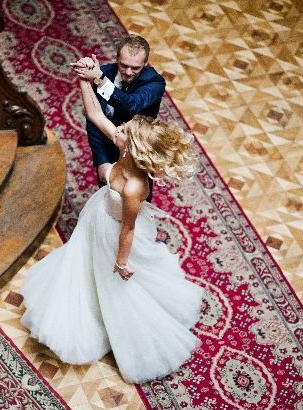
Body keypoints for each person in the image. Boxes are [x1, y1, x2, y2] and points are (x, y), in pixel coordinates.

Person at [19, 56, 203, 384]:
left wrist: (120, 263)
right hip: (98, 213)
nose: (116, 130)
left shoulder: (135, 187)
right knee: (84, 264)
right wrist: (83, 79)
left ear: (129, 147)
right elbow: (93, 113)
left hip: (118, 232)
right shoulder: (124, 151)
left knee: (116, 285)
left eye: (121, 131)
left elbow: (129, 228)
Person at [83, 35, 166, 201]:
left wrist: (99, 79)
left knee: (135, 203)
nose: (128, 73)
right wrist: (101, 160)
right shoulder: (106, 73)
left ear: (145, 63)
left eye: (135, 68)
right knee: (108, 200)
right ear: (117, 58)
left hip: (137, 156)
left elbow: (130, 104)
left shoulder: (155, 83)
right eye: (124, 65)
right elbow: (95, 119)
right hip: (108, 151)